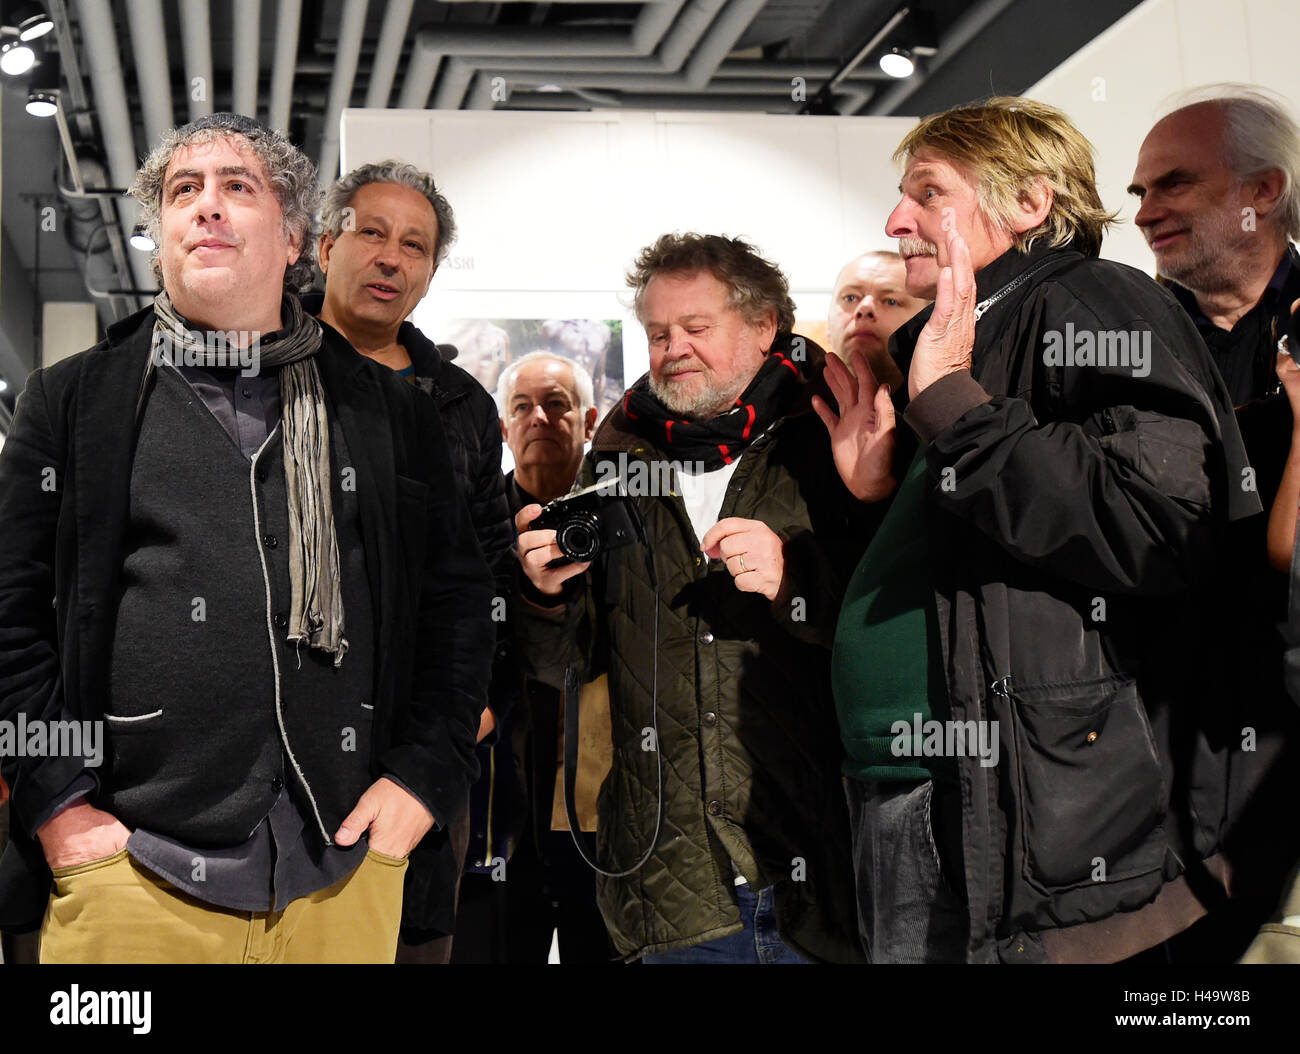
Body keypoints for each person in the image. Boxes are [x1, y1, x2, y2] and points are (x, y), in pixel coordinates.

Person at [0, 114, 494, 963]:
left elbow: (456, 611)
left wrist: (422, 780)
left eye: (238, 187)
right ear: (159, 237)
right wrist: (58, 805)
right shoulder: (74, 400)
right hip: (130, 874)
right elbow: (9, 617)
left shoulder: (390, 413)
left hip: (343, 865)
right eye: (183, 192)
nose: (207, 207)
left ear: (294, 233)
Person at [816, 96, 1258, 963]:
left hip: (1009, 801)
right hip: (924, 790)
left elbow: (1158, 521)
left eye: (928, 193)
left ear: (1029, 204)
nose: (897, 219)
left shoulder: (1090, 297)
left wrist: (951, 408)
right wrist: (878, 488)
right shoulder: (974, 336)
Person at [514, 233, 867, 964]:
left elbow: (904, 625)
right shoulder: (614, 461)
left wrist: (796, 582)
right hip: (672, 888)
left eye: (696, 328)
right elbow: (566, 662)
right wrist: (543, 596)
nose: (674, 348)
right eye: (657, 333)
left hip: (819, 875)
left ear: (764, 326)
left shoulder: (835, 440)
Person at [309, 160, 515, 964]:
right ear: (325, 245)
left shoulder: (462, 403)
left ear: (431, 272)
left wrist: (475, 711)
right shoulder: (261, 372)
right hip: (284, 741)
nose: (391, 258)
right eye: (371, 233)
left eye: (415, 245)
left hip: (421, 749)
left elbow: (491, 571)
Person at [1130, 85, 1300, 958]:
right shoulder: (1127, 338)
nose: (1146, 213)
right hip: (1159, 735)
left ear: (1261, 193)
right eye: (1139, 194)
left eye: (1173, 185)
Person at [494, 351, 617, 963]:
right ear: (503, 427)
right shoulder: (474, 520)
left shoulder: (626, 517)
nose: (539, 417)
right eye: (522, 406)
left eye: (557, 405)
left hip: (598, 806)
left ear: (590, 419)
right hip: (495, 802)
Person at [825, 250, 929, 390]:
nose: (865, 308)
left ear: (925, 325)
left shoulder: (955, 408)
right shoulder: (793, 403)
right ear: (828, 325)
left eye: (891, 301)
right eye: (850, 298)